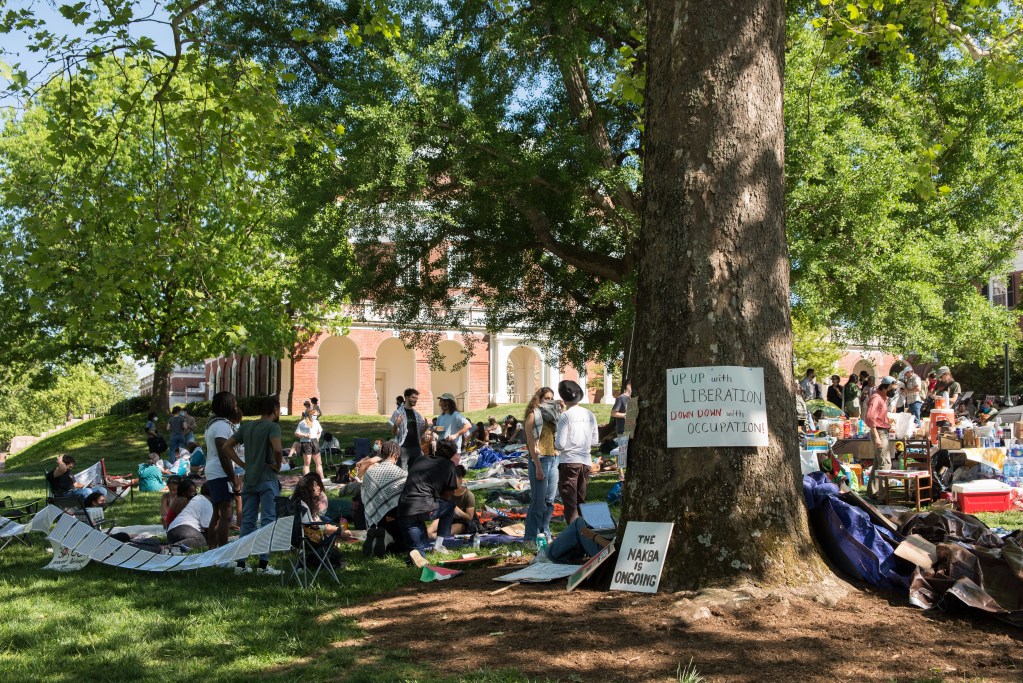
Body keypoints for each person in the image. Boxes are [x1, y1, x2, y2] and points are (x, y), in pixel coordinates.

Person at [222, 395, 284, 575]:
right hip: (267, 479)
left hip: (249, 480)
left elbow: (227, 446)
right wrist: (278, 466)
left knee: (247, 522)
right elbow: (278, 449)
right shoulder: (273, 427)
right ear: (274, 410)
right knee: (267, 521)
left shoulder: (248, 426)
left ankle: (241, 564)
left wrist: (242, 464)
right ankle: (263, 565)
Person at [397, 440, 459, 552]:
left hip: (404, 509)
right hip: (424, 508)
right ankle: (439, 545)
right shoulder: (448, 465)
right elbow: (447, 495)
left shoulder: (420, 459)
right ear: (452, 454)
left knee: (417, 550)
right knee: (450, 506)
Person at [555, 380, 599, 525]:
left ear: (563, 398)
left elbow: (560, 443)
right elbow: (594, 440)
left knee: (570, 503)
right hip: (585, 461)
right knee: (581, 500)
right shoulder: (590, 414)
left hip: (569, 461)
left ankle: (574, 533)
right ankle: (586, 531)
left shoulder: (565, 416)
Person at [523, 386, 560, 543]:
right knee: (538, 502)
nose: (550, 401)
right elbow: (531, 442)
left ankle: (545, 532)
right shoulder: (533, 415)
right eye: (547, 398)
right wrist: (537, 464)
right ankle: (530, 538)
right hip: (540, 460)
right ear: (539, 398)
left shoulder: (554, 415)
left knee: (550, 501)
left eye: (552, 398)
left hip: (553, 458)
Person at [203, 391, 239, 549]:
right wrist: (233, 477)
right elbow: (224, 453)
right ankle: (223, 552)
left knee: (217, 513)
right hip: (220, 471)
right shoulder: (222, 426)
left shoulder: (213, 423)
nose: (236, 406)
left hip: (213, 470)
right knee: (227, 514)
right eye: (234, 403)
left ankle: (212, 549)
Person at [361, 441, 407, 547]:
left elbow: (364, 495)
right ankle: (389, 540)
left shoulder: (370, 473)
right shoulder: (401, 474)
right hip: (393, 517)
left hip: (374, 516)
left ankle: (377, 536)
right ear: (395, 455)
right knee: (404, 542)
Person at [865, 376, 899, 499]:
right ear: (886, 386)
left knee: (878, 463)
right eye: (892, 388)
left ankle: (872, 493)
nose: (893, 391)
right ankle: (883, 495)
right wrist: (877, 437)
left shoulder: (882, 397)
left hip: (882, 431)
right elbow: (869, 418)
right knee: (885, 464)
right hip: (879, 432)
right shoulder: (877, 398)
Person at [428, 465, 476, 537]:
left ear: (461, 479)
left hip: (463, 522)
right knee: (428, 532)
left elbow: (469, 518)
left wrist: (455, 509)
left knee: (436, 536)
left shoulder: (468, 495)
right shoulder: (447, 492)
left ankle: (438, 540)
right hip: (446, 518)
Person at [545, 516, 612, 564]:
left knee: (579, 522)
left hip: (610, 552)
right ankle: (574, 556)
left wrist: (594, 536)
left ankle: (551, 554)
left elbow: (613, 545)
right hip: (612, 543)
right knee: (588, 521)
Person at [167, 482, 213, 549]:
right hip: (181, 528)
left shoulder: (200, 499)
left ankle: (177, 546)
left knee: (208, 538)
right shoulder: (206, 503)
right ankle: (171, 548)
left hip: (174, 532)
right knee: (201, 540)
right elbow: (208, 528)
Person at [391, 387, 428, 470]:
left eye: (416, 398)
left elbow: (420, 432)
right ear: (407, 397)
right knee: (402, 473)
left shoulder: (417, 415)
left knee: (415, 473)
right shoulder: (398, 413)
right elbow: (394, 433)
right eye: (413, 397)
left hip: (416, 448)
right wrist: (396, 424)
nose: (415, 400)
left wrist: (425, 428)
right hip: (403, 448)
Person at [610, 379, 632, 478]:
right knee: (622, 451)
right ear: (628, 385)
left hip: (632, 429)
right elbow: (613, 413)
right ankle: (621, 474)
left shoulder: (633, 398)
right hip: (622, 429)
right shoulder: (621, 398)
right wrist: (625, 415)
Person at [295, 413, 324, 480]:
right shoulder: (302, 422)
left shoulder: (316, 422)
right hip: (306, 443)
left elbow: (319, 432)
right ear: (309, 415)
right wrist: (304, 435)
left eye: (316, 415)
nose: (315, 416)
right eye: (314, 415)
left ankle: (322, 479)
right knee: (307, 462)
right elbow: (296, 433)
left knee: (319, 462)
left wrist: (317, 438)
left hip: (314, 442)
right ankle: (306, 480)